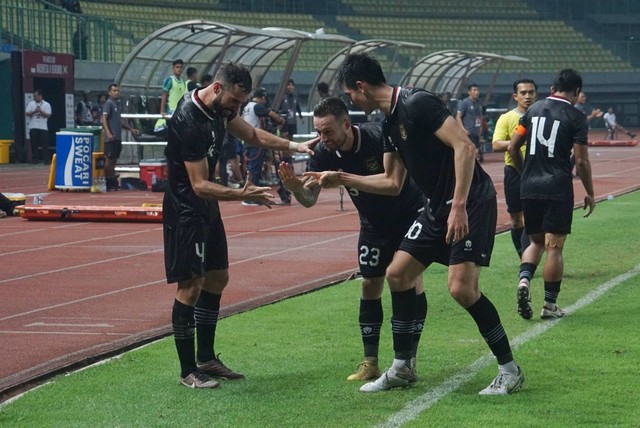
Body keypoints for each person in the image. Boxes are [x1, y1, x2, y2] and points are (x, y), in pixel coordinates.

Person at [315, 52, 523, 395]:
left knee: (461, 289)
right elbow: (392, 182)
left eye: (349, 94)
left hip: (470, 201)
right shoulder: (388, 124)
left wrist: (458, 205)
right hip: (435, 207)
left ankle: (509, 370)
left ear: (361, 86)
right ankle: (402, 367)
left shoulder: (417, 103)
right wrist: (343, 178)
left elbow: (465, 147)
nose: (349, 101)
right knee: (398, 274)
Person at [162, 62, 316, 389]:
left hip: (207, 208)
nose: (236, 109)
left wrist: (294, 146)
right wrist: (240, 194)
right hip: (186, 210)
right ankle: (187, 370)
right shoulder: (190, 120)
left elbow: (252, 134)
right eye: (234, 102)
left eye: (241, 104)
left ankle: (206, 357)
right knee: (190, 286)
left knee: (218, 277)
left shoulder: (220, 109)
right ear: (217, 88)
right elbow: (199, 184)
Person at [279, 97, 428, 381]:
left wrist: (344, 178)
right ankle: (370, 362)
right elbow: (309, 200)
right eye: (319, 132)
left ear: (347, 124)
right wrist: (296, 188)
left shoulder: (377, 137)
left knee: (409, 281)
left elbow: (394, 186)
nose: (323, 139)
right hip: (372, 225)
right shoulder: (323, 152)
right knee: (370, 284)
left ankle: (408, 358)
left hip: (409, 216)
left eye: (328, 132)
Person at [508, 69, 596, 321]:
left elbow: (514, 147)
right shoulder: (577, 117)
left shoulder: (532, 111)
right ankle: (549, 305)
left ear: (552, 87)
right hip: (556, 188)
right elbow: (581, 162)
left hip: (529, 187)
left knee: (535, 242)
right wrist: (590, 192)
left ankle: (524, 281)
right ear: (577, 92)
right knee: (554, 247)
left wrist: (525, 172)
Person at [492, 79, 537, 258]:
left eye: (531, 92)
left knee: (533, 218)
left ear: (536, 94)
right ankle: (522, 255)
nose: (527, 96)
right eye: (523, 93)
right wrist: (517, 141)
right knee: (516, 219)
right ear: (515, 96)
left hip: (536, 172)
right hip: (514, 173)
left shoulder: (541, 115)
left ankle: (528, 258)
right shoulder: (507, 118)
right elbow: (495, 144)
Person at [241, 87, 287, 205]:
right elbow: (272, 114)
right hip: (256, 141)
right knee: (255, 170)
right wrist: (281, 120)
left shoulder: (246, 107)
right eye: (264, 98)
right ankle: (250, 197)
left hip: (248, 141)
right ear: (262, 98)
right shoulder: (257, 107)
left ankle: (251, 195)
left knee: (253, 169)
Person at [101, 83, 138, 190]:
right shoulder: (108, 104)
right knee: (108, 160)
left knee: (113, 160)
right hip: (110, 138)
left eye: (118, 90)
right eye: (114, 90)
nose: (116, 92)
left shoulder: (117, 104)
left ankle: (112, 181)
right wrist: (108, 133)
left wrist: (130, 129)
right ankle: (107, 181)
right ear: (109, 92)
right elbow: (104, 118)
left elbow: (119, 121)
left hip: (117, 137)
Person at [456, 84, 484, 162]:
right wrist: (463, 129)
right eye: (474, 90)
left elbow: (480, 117)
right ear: (469, 92)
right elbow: (458, 117)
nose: (476, 92)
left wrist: (480, 128)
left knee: (476, 151)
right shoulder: (465, 103)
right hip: (469, 132)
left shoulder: (478, 104)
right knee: (474, 151)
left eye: (477, 90)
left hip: (476, 132)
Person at [25, 89, 52, 164]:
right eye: (34, 96)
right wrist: (34, 111)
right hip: (33, 126)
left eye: (36, 96)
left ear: (40, 96)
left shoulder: (46, 104)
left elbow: (48, 115)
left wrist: (40, 111)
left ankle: (46, 160)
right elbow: (27, 113)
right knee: (34, 144)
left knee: (45, 144)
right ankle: (35, 159)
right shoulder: (31, 104)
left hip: (43, 127)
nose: (35, 97)